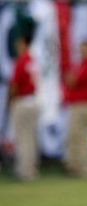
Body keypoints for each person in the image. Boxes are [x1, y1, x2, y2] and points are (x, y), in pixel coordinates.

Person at [63, 39, 87, 178]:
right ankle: (77, 167)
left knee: (83, 137)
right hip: (79, 105)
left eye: (84, 49)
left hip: (84, 105)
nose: (82, 52)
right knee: (76, 136)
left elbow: (72, 81)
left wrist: (70, 78)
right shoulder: (82, 64)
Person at [6, 34, 39, 181]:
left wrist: (9, 101)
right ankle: (31, 169)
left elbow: (14, 84)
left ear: (24, 43)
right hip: (33, 100)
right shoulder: (32, 60)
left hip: (22, 100)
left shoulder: (21, 60)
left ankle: (24, 171)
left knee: (22, 137)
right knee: (30, 137)